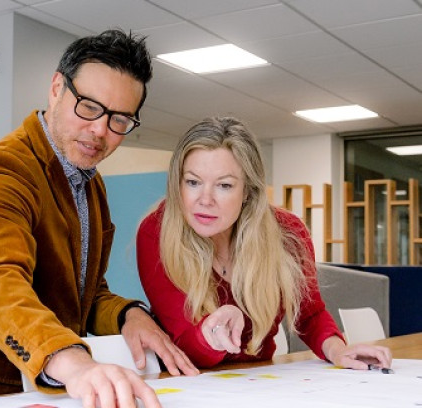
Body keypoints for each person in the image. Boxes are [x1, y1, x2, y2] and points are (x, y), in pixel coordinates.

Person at [0, 29, 198, 407]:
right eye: (90, 107)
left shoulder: (90, 183)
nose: (100, 131)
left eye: (120, 119)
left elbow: (84, 295)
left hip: (57, 390)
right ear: (57, 88)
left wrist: (128, 316)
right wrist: (72, 361)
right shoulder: (3, 170)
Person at [136, 116, 392, 371]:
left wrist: (339, 351)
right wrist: (212, 334)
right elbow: (183, 341)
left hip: (261, 380)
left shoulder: (287, 232)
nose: (205, 199)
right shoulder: (156, 232)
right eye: (192, 182)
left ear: (248, 191)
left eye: (224, 185)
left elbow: (309, 314)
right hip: (188, 383)